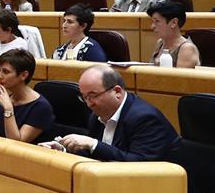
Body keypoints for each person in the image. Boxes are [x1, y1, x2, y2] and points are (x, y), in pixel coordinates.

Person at [39, 65, 178, 161]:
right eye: (84, 97)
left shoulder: (145, 118)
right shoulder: (96, 116)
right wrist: (64, 151)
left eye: (93, 95)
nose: (89, 103)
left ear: (117, 92)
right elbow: (96, 155)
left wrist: (93, 144)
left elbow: (140, 163)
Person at [0, 50, 54, 143]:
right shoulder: (5, 99)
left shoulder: (41, 107)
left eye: (6, 72)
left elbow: (16, 143)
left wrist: (8, 110)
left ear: (23, 75)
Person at [149, 1, 201, 68]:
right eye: (153, 22)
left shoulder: (187, 49)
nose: (152, 26)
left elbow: (180, 78)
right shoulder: (160, 43)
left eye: (157, 21)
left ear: (174, 23)